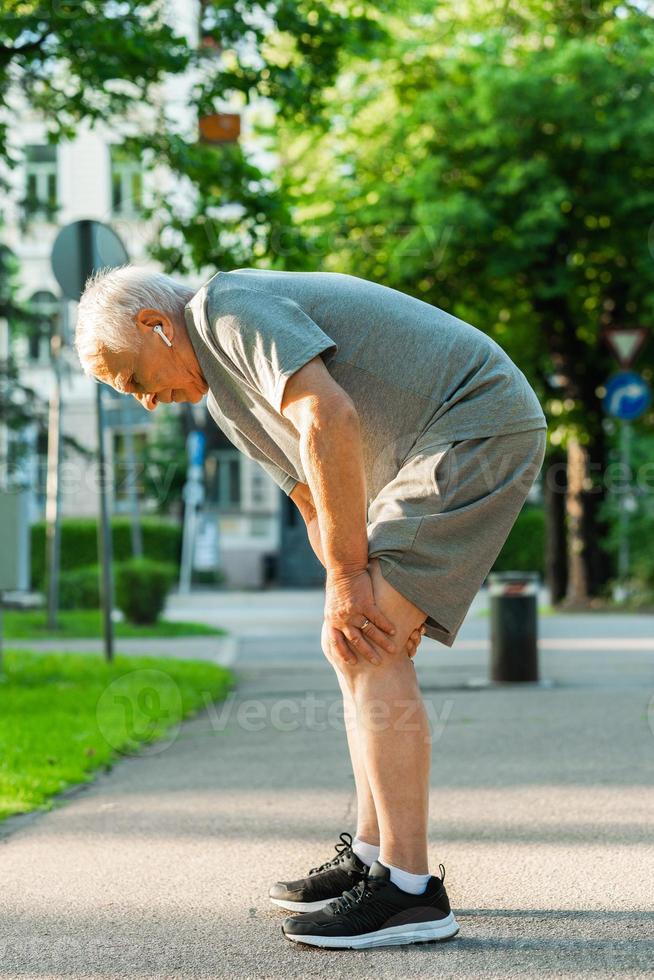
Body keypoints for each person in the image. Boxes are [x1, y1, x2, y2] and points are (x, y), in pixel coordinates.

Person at [75, 265, 547, 950]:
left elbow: (330, 415)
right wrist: (345, 586)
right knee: (353, 639)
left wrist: (359, 580)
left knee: (371, 640)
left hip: (474, 425)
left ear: (155, 326)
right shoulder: (225, 397)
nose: (146, 403)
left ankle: (410, 892)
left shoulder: (223, 309)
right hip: (433, 448)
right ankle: (373, 855)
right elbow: (310, 494)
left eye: (134, 380)